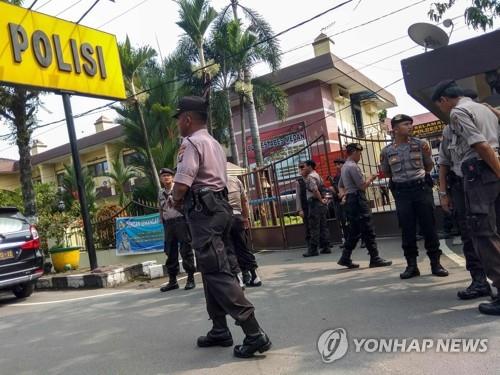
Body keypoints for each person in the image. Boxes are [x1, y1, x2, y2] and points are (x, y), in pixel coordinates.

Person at [171, 96, 271, 356]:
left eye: (179, 118)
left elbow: (182, 184)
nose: (178, 124)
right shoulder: (214, 143)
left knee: (215, 270)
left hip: (204, 213)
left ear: (188, 119)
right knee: (214, 266)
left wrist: (174, 199)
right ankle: (219, 329)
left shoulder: (190, 142)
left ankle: (254, 332)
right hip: (220, 208)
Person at [432, 80, 500, 315]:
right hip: (483, 175)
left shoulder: (459, 112)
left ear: (444, 100)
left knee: (484, 233)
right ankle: (482, 282)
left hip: (479, 174)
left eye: (440, 106)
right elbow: (445, 162)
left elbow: (481, 146)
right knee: (488, 231)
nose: (443, 111)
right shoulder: (485, 110)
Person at [380, 114, 449, 279]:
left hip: (420, 189)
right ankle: (412, 266)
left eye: (410, 124)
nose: (410, 126)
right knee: (407, 229)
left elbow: (429, 165)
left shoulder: (421, 144)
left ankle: (435, 264)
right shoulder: (387, 151)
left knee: (429, 227)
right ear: (395, 129)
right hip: (402, 192)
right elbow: (387, 171)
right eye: (405, 124)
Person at [439, 121, 492, 300]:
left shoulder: (484, 120)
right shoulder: (449, 129)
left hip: (487, 181)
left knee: (491, 232)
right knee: (468, 233)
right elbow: (444, 162)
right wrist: (443, 193)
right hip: (461, 184)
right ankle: (479, 281)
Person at [337, 143, 392, 269]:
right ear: (354, 152)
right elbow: (362, 186)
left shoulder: (345, 166)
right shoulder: (352, 167)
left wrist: (343, 195)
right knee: (367, 229)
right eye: (359, 153)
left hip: (351, 200)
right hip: (357, 199)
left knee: (354, 231)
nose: (360, 156)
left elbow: (340, 185)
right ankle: (375, 258)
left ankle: (345, 257)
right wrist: (371, 178)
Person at [158, 168, 196, 292]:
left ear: (173, 177)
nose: (166, 177)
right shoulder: (160, 193)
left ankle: (190, 278)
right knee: (170, 252)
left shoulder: (178, 190)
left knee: (186, 250)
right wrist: (162, 221)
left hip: (181, 221)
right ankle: (173, 281)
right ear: (161, 179)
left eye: (168, 175)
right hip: (168, 224)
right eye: (164, 176)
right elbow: (161, 208)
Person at [227, 174, 262, 287]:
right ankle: (255, 276)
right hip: (238, 217)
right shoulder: (236, 180)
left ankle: (238, 280)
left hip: (223, 218)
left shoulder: (214, 180)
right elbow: (244, 201)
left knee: (229, 249)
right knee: (243, 247)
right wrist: (246, 218)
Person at [302, 160, 332, 257]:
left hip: (315, 204)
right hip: (320, 205)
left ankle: (313, 249)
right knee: (323, 226)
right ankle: (326, 246)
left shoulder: (311, 177)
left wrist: (320, 199)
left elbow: (315, 190)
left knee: (314, 227)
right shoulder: (317, 175)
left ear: (310, 166)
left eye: (305, 166)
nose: (304, 168)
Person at [328, 159, 348, 247]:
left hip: (346, 200)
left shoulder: (346, 173)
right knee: (342, 222)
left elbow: (349, 186)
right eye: (336, 164)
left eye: (339, 164)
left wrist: (343, 194)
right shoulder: (337, 176)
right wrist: (333, 190)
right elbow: (336, 187)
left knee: (351, 221)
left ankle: (362, 240)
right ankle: (346, 240)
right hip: (337, 201)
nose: (337, 166)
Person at [296, 162, 310, 246]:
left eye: (303, 167)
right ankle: (310, 244)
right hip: (305, 207)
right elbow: (298, 196)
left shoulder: (312, 177)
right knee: (307, 225)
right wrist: (300, 209)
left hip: (314, 205)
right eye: (300, 168)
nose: (301, 170)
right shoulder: (299, 182)